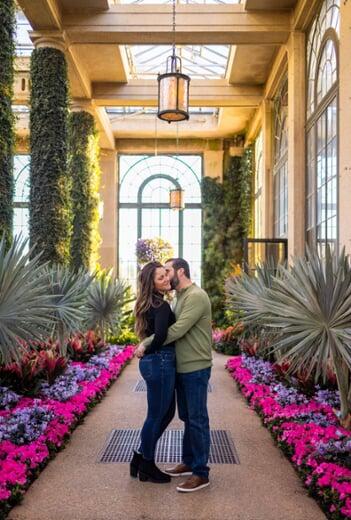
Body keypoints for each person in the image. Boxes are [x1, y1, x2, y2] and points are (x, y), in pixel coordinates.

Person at [136, 258, 212, 493]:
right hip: (181, 366)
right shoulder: (179, 297)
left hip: (196, 366)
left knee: (197, 419)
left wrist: (146, 343)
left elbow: (177, 330)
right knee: (188, 417)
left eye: (168, 271)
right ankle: (189, 462)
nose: (166, 276)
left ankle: (201, 473)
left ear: (181, 271)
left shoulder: (196, 296)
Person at [131, 261, 176, 484]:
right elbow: (160, 336)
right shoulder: (162, 306)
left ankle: (139, 456)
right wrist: (152, 350)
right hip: (160, 361)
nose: (166, 279)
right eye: (160, 277)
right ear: (152, 284)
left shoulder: (149, 304)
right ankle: (147, 466)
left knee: (165, 413)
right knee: (157, 415)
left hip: (153, 362)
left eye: (166, 274)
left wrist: (146, 350)